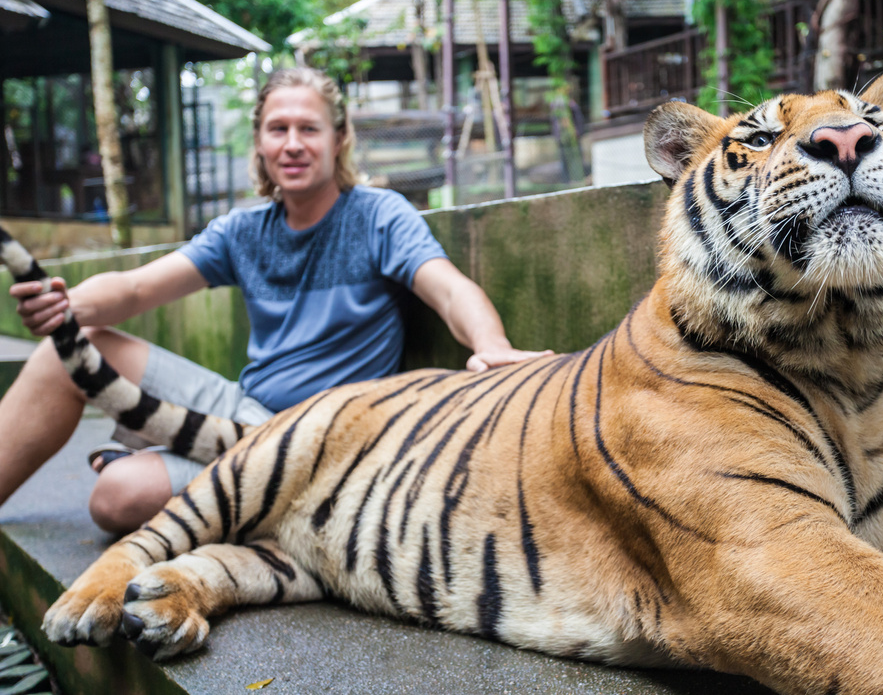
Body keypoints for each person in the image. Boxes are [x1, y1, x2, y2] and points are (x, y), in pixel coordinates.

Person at [0, 67, 550, 534]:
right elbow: (137, 288)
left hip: (317, 445)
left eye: (308, 128)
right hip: (241, 408)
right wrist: (63, 305)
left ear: (338, 139)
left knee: (115, 498)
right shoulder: (241, 232)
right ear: (260, 145)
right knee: (68, 351)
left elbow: (449, 289)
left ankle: (175, 467)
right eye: (277, 129)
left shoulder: (379, 216)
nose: (292, 143)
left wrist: (492, 346)